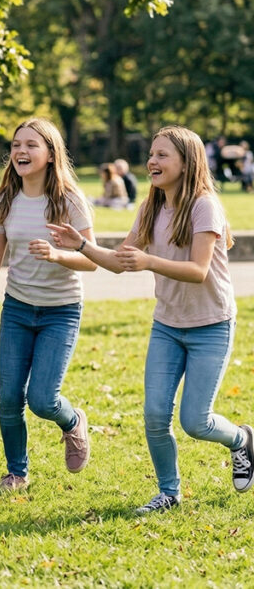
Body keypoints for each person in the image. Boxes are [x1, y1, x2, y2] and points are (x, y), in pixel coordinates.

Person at [48, 125, 254, 515]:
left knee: (196, 421)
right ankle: (169, 492)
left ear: (186, 161)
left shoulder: (204, 205)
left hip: (211, 324)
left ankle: (242, 439)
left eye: (162, 155)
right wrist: (81, 245)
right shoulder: (150, 207)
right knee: (156, 415)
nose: (152, 162)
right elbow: (117, 262)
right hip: (168, 326)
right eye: (151, 154)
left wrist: (148, 261)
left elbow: (197, 270)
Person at [0, 117, 95, 493]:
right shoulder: (5, 199)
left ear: (51, 154)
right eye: (16, 145)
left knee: (42, 400)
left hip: (61, 310)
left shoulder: (70, 200)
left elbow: (91, 260)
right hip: (18, 309)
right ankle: (17, 473)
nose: (21, 151)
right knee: (9, 396)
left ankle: (73, 421)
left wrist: (58, 256)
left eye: (31, 145)